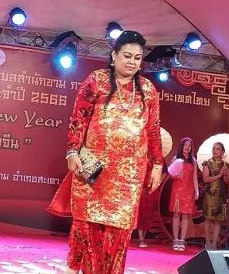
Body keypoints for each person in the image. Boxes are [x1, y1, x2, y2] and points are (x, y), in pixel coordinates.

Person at [50, 31, 164, 274]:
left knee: (118, 232)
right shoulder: (96, 80)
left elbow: (153, 129)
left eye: (137, 58)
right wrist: (72, 152)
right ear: (114, 56)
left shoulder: (147, 89)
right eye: (127, 56)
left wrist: (157, 164)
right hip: (92, 167)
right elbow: (79, 119)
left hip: (128, 175)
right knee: (87, 227)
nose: (132, 62)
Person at [168, 137, 199, 251]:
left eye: (189, 146)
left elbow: (194, 177)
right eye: (185, 145)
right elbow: (171, 174)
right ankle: (175, 239)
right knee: (176, 214)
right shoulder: (175, 159)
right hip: (177, 190)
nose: (187, 147)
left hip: (188, 190)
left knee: (186, 215)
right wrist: (175, 175)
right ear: (181, 146)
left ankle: (182, 240)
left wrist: (196, 190)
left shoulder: (193, 161)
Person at [202, 141, 229, 250]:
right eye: (214, 148)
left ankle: (214, 244)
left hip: (220, 194)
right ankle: (208, 243)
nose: (215, 151)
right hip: (210, 194)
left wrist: (225, 174)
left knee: (218, 219)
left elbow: (227, 181)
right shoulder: (207, 163)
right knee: (208, 219)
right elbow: (205, 179)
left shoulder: (226, 165)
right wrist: (219, 175)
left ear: (222, 152)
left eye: (218, 149)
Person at [136, 159, 167, 248]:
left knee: (149, 213)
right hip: (142, 188)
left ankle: (143, 237)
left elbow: (165, 171)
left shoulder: (159, 159)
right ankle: (141, 239)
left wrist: (158, 182)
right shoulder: (143, 156)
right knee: (141, 212)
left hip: (153, 190)